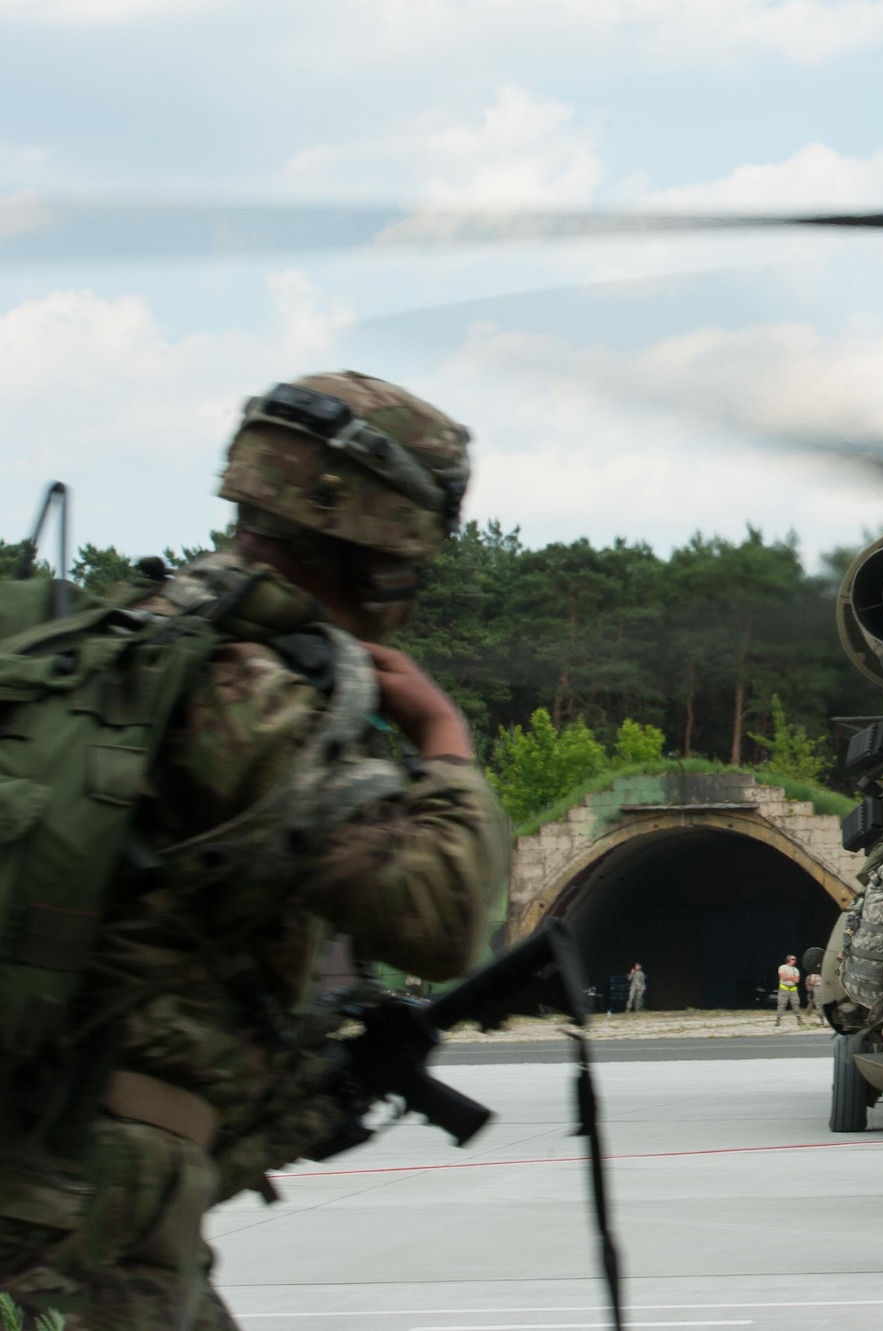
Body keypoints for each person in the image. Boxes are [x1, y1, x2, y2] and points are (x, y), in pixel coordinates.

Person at [0, 372, 510, 1325]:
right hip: (88, 1211)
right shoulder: (253, 690)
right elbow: (440, 920)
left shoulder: (116, 649)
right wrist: (443, 740)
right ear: (384, 539)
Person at [776, 955, 804, 1026]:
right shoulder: (783, 967)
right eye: (792, 959)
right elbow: (783, 977)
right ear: (788, 960)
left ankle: (799, 1020)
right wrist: (792, 977)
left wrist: (789, 977)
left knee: (796, 1004)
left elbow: (797, 980)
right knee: (782, 1004)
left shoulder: (795, 969)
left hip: (793, 989)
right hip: (784, 989)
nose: (794, 960)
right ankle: (778, 1020)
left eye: (794, 959)